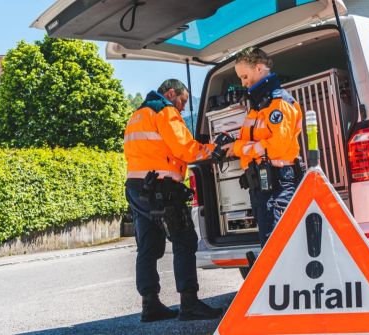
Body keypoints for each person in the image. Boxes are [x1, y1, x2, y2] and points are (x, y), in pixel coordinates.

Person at [124, 79, 222, 322]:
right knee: (184, 240)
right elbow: (185, 149)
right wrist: (214, 150)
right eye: (183, 101)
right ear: (170, 93)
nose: (182, 107)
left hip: (137, 188)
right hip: (162, 187)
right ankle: (189, 303)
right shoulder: (165, 111)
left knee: (147, 246)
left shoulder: (137, 115)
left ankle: (150, 305)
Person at [222, 47, 304, 247]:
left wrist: (240, 148)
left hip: (279, 184)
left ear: (259, 68)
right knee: (269, 245)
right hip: (262, 185)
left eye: (245, 76)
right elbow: (255, 141)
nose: (243, 83)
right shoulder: (259, 106)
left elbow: (277, 146)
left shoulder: (279, 103)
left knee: (277, 246)